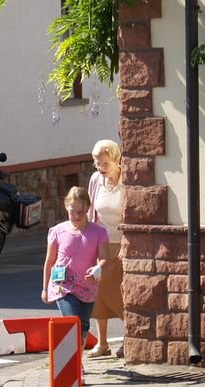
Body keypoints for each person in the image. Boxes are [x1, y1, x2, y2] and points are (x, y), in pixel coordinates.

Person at [41, 187, 109, 384]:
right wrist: (45, 287)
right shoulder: (57, 231)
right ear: (66, 207)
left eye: (81, 211)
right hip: (63, 285)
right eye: (73, 211)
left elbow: (105, 258)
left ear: (88, 208)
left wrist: (98, 268)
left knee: (83, 327)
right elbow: (49, 261)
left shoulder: (99, 232)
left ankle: (77, 361)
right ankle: (74, 368)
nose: (76, 216)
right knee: (72, 322)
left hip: (87, 287)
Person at [86, 139, 126, 359]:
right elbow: (92, 212)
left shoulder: (126, 181)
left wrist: (128, 242)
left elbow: (132, 213)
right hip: (100, 243)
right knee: (98, 293)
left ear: (116, 159)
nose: (100, 168)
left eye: (104, 163)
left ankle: (130, 337)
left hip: (121, 244)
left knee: (119, 293)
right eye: (96, 163)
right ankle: (102, 343)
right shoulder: (96, 180)